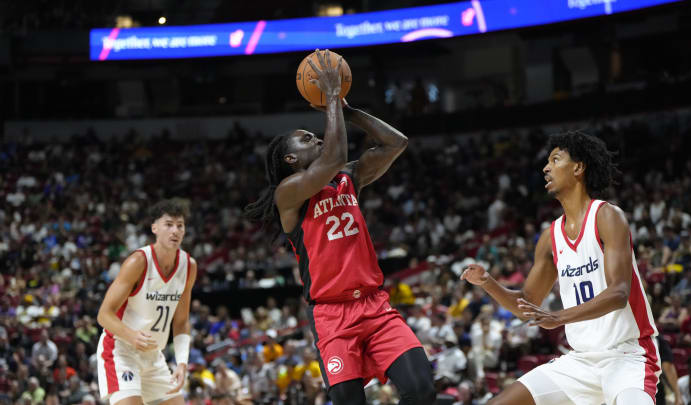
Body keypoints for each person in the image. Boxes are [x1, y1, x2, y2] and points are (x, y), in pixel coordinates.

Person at [244, 49, 435, 405]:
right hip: (332, 315)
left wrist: (349, 111)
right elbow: (331, 157)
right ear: (290, 160)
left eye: (316, 136)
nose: (317, 139)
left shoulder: (349, 177)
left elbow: (397, 142)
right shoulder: (289, 194)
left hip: (376, 307)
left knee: (422, 390)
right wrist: (330, 96)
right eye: (306, 140)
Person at [462, 131, 660, 405]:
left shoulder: (607, 216)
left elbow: (618, 294)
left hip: (628, 356)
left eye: (556, 160)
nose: (546, 168)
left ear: (578, 168)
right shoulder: (549, 237)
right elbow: (528, 305)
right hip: (581, 361)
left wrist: (559, 317)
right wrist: (488, 283)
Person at [96, 198, 197, 405]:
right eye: (168, 225)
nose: (175, 231)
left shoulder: (188, 266)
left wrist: (182, 362)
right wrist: (131, 335)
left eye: (180, 226)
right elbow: (104, 314)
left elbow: (181, 322)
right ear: (155, 228)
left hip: (154, 355)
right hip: (121, 350)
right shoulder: (138, 261)